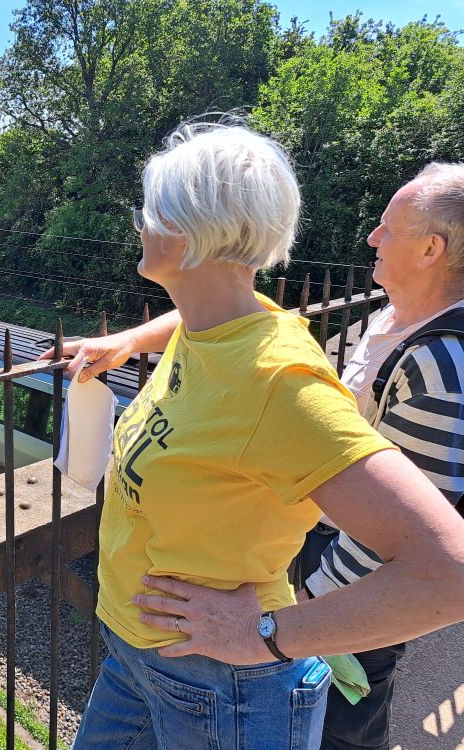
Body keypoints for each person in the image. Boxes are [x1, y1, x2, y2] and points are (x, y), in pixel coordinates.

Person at [41, 124, 464, 749]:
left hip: (221, 686)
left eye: (148, 211)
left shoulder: (278, 385)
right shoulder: (218, 320)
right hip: (135, 655)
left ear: (188, 234)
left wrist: (265, 633)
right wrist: (128, 341)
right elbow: (204, 325)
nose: (138, 224)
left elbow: (449, 572)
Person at [288, 163, 464, 750]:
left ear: (431, 249)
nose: (371, 239)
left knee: (342, 729)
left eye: (388, 228)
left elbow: (405, 526)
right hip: (329, 548)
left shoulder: (441, 370)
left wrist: (313, 597)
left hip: (356, 579)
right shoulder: (391, 319)